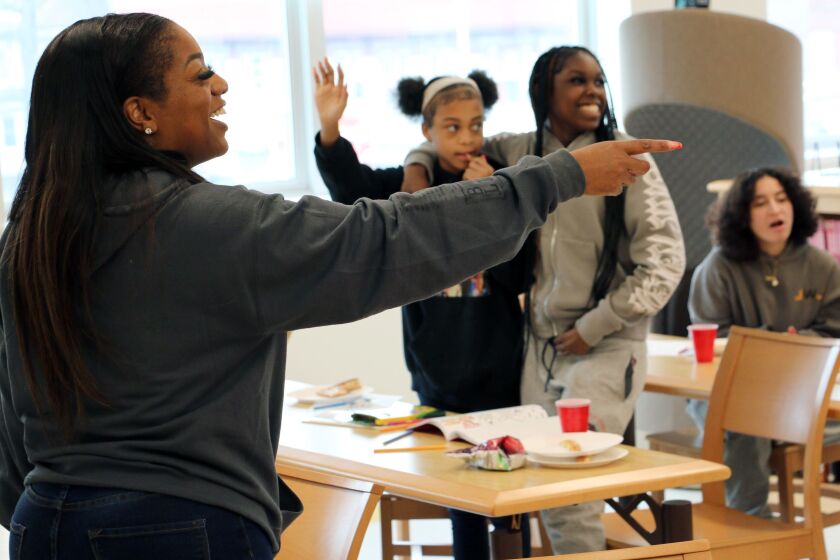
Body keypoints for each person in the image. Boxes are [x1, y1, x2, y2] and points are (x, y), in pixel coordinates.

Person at [0, 13, 678, 559]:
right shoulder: (202, 226)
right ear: (140, 112)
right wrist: (558, 176)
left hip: (40, 521)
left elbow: (10, 412)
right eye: (200, 73)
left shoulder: (31, 231)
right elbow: (380, 239)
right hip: (177, 527)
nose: (222, 86)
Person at [402, 45, 686, 554]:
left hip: (604, 348)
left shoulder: (625, 154)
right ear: (544, 91)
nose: (593, 90)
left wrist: (596, 326)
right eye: (577, 81)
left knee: (569, 491)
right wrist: (416, 169)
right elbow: (450, 140)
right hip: (540, 346)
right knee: (534, 482)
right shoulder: (519, 150)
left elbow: (665, 262)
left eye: (598, 80)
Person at [313, 60, 535, 559]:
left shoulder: (505, 186)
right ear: (426, 130)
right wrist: (331, 129)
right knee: (461, 495)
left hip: (499, 367)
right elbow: (351, 191)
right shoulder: (408, 185)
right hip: (435, 367)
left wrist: (491, 198)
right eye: (452, 127)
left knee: (507, 494)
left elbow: (519, 277)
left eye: (475, 126)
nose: (466, 138)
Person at [688, 167, 840, 517]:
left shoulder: (822, 265)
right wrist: (773, 345)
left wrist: (796, 344)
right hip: (734, 393)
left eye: (782, 199)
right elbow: (713, 341)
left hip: (806, 392)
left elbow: (834, 331)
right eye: (761, 203)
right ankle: (751, 528)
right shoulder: (718, 268)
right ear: (742, 215)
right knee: (746, 418)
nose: (776, 210)